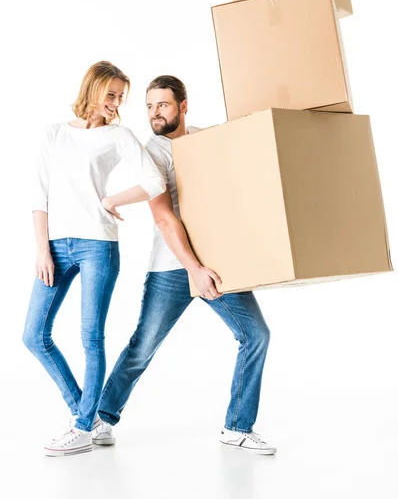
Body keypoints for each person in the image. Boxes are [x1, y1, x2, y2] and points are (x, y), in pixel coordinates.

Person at [95, 75, 276, 455]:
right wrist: (194, 268)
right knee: (142, 347)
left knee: (255, 335)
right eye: (148, 106)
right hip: (173, 267)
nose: (154, 113)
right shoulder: (153, 150)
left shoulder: (204, 140)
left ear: (183, 105)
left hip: (218, 261)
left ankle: (238, 427)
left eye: (162, 105)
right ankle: (101, 419)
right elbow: (163, 217)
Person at [22, 61, 166, 457]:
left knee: (91, 337)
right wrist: (41, 249)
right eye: (111, 94)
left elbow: (156, 180)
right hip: (56, 246)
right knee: (34, 335)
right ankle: (86, 416)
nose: (116, 102)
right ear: (93, 89)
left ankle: (83, 426)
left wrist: (113, 199)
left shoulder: (119, 136)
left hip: (98, 244)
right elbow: (38, 195)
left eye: (121, 97)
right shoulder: (53, 134)